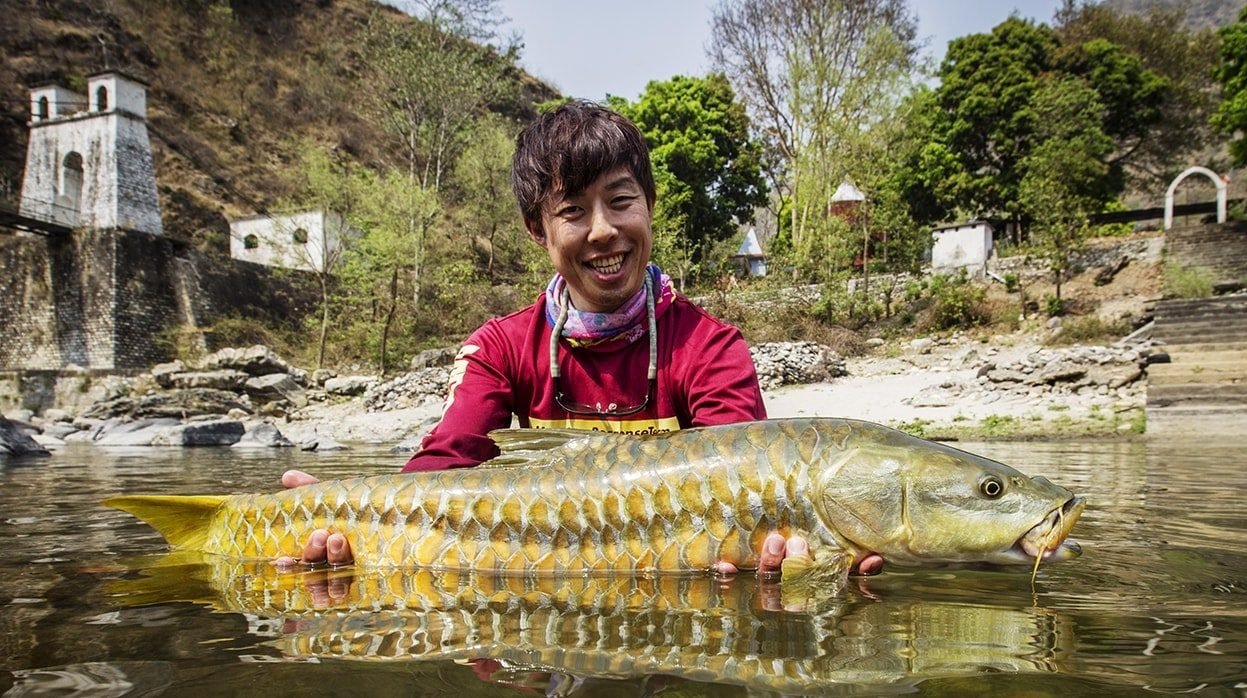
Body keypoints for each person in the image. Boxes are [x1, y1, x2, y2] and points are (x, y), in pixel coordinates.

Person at [281, 101, 883, 578]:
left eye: (622, 201)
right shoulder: (500, 348)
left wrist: (797, 561)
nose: (604, 231)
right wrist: (344, 512)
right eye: (572, 211)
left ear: (649, 206)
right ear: (536, 230)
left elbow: (748, 486)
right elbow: (444, 468)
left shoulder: (712, 348)